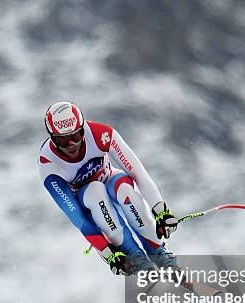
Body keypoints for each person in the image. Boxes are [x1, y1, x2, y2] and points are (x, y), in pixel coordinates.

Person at [38, 101, 179, 275]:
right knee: (95, 192)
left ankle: (158, 251)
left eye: (76, 135)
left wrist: (160, 210)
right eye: (63, 140)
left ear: (83, 128)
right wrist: (108, 253)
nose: (71, 144)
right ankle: (136, 259)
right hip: (89, 199)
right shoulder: (48, 163)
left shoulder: (99, 133)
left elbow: (138, 172)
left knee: (126, 190)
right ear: (52, 138)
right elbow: (78, 218)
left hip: (111, 179)